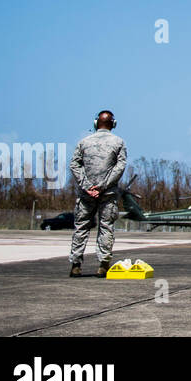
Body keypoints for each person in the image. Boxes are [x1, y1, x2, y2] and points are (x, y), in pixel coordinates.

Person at [68, 110, 128, 278]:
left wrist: (87, 186)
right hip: (107, 194)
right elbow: (120, 167)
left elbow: (74, 165)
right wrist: (102, 186)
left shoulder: (83, 142)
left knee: (81, 228)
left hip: (86, 195)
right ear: (113, 124)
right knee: (106, 227)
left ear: (96, 123)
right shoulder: (119, 142)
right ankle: (103, 264)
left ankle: (76, 264)